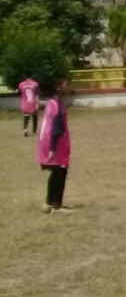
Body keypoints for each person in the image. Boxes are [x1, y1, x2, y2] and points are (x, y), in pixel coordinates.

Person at [35, 78, 71, 213]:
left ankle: (48, 203)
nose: (68, 88)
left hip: (47, 140)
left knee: (56, 171)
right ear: (58, 88)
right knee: (61, 171)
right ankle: (57, 206)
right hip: (55, 143)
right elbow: (56, 128)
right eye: (66, 85)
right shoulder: (57, 105)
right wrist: (52, 148)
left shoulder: (52, 102)